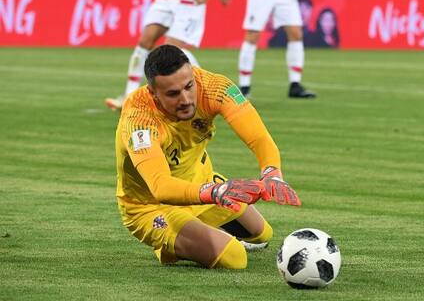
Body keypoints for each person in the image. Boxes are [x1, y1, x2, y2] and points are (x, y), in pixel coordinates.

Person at [115, 44, 300, 269]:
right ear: (153, 93)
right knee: (235, 258)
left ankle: (195, 229)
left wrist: (272, 173)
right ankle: (168, 246)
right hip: (152, 206)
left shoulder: (214, 87)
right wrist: (214, 192)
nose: (185, 99)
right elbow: (160, 186)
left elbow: (258, 137)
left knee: (262, 234)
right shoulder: (139, 122)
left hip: (202, 183)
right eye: (173, 94)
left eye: (188, 86)